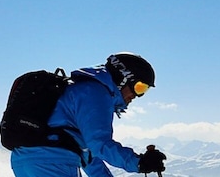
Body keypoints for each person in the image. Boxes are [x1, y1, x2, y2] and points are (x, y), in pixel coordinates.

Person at [9, 52, 156, 177]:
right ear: (123, 77)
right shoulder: (95, 93)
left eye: (144, 90)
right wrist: (139, 163)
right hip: (53, 162)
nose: (137, 96)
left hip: (27, 161)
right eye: (139, 87)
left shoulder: (81, 90)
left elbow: (88, 154)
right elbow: (100, 144)